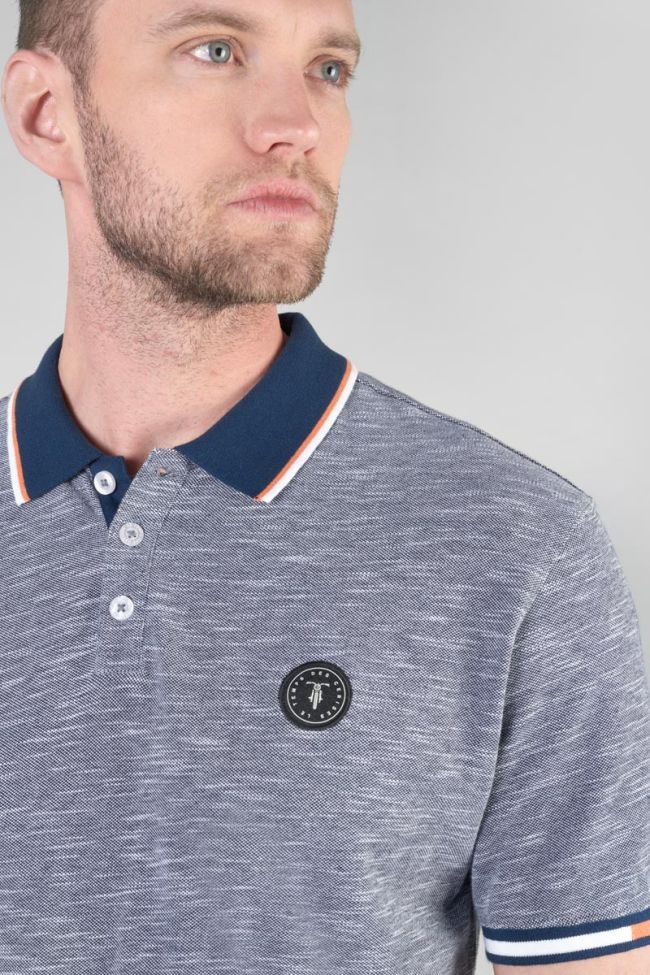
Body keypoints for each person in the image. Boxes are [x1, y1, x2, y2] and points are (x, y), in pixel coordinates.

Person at [1, 1, 648, 973]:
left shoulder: (514, 547)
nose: (296, 124)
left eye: (329, 69)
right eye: (215, 51)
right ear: (46, 113)